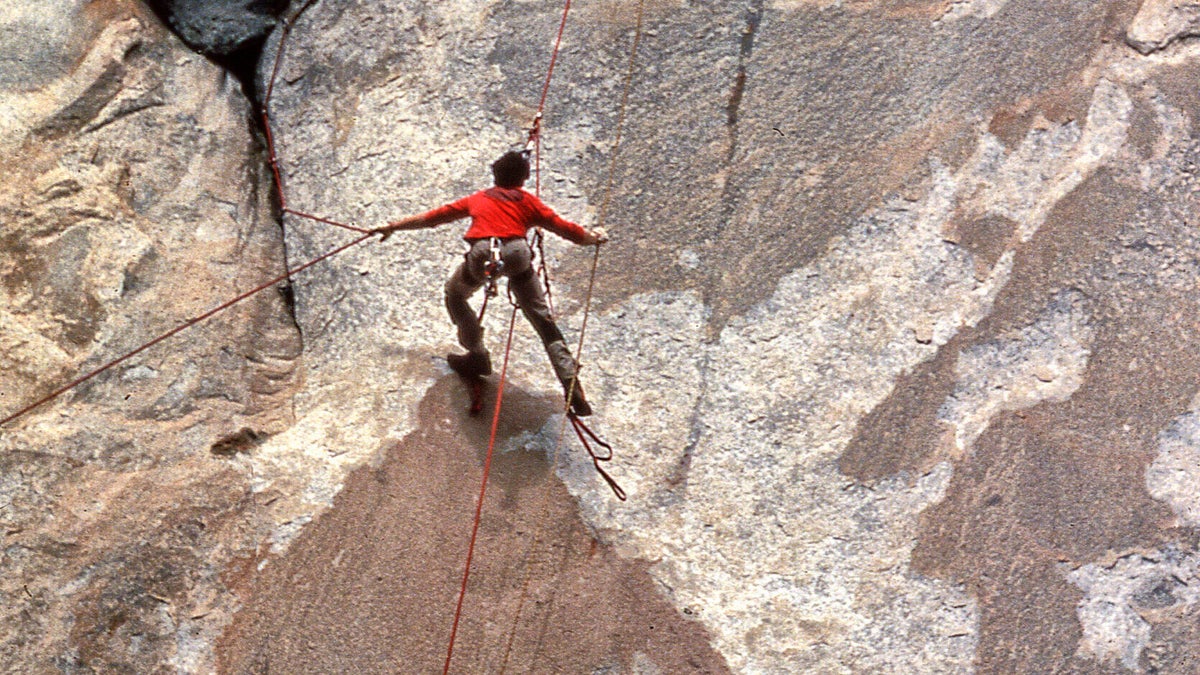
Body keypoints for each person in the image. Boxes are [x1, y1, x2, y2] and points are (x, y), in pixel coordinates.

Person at [374, 150, 607, 416]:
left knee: (456, 295)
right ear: (524, 178)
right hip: (517, 254)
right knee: (543, 321)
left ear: (495, 175)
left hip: (483, 255)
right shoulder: (528, 202)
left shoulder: (479, 199)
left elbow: (434, 218)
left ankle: (477, 355)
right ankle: (570, 380)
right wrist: (594, 238)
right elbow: (568, 230)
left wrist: (392, 226)